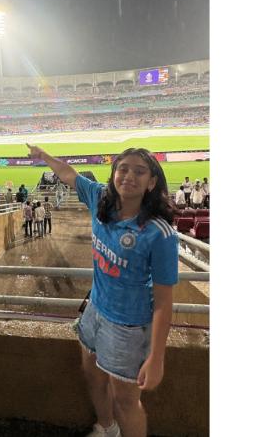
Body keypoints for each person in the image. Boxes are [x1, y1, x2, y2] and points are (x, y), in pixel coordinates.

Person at [27, 143, 178, 437]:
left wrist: (157, 357)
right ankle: (107, 429)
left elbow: (163, 301)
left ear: (152, 182)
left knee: (126, 401)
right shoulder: (99, 199)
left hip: (128, 327)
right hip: (95, 309)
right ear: (113, 174)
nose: (129, 176)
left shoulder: (159, 234)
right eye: (123, 169)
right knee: (93, 378)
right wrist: (43, 156)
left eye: (139, 171)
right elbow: (68, 174)